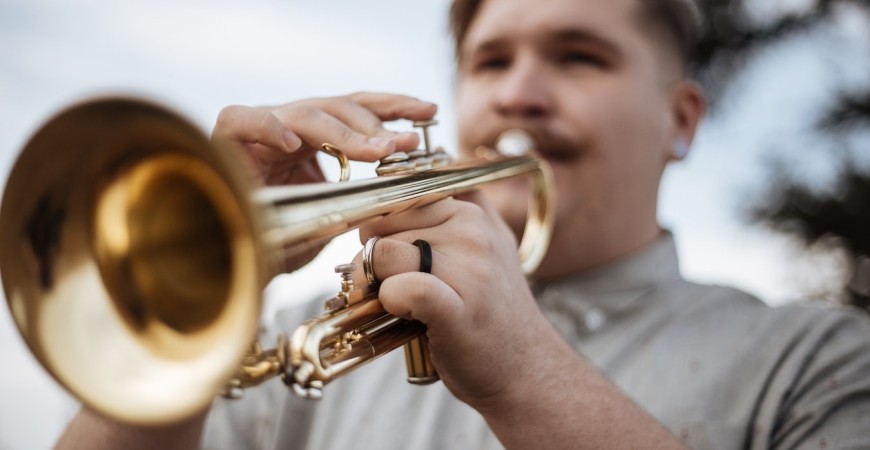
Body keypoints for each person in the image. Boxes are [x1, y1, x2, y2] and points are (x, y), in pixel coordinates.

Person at [54, 0, 870, 449]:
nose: (518, 94)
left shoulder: (823, 361)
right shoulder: (305, 333)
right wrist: (195, 283)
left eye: (580, 55)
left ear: (681, 121)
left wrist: (528, 378)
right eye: (490, 61)